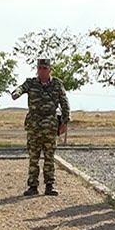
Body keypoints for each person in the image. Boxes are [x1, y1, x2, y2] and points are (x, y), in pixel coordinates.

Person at [10, 58, 70, 196]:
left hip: (50, 125)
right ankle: (33, 186)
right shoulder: (31, 83)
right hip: (34, 125)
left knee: (49, 157)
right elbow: (21, 88)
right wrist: (16, 93)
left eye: (44, 68)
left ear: (50, 69)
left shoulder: (57, 84)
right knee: (33, 157)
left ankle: (50, 185)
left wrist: (65, 122)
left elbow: (64, 103)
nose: (42, 71)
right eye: (40, 68)